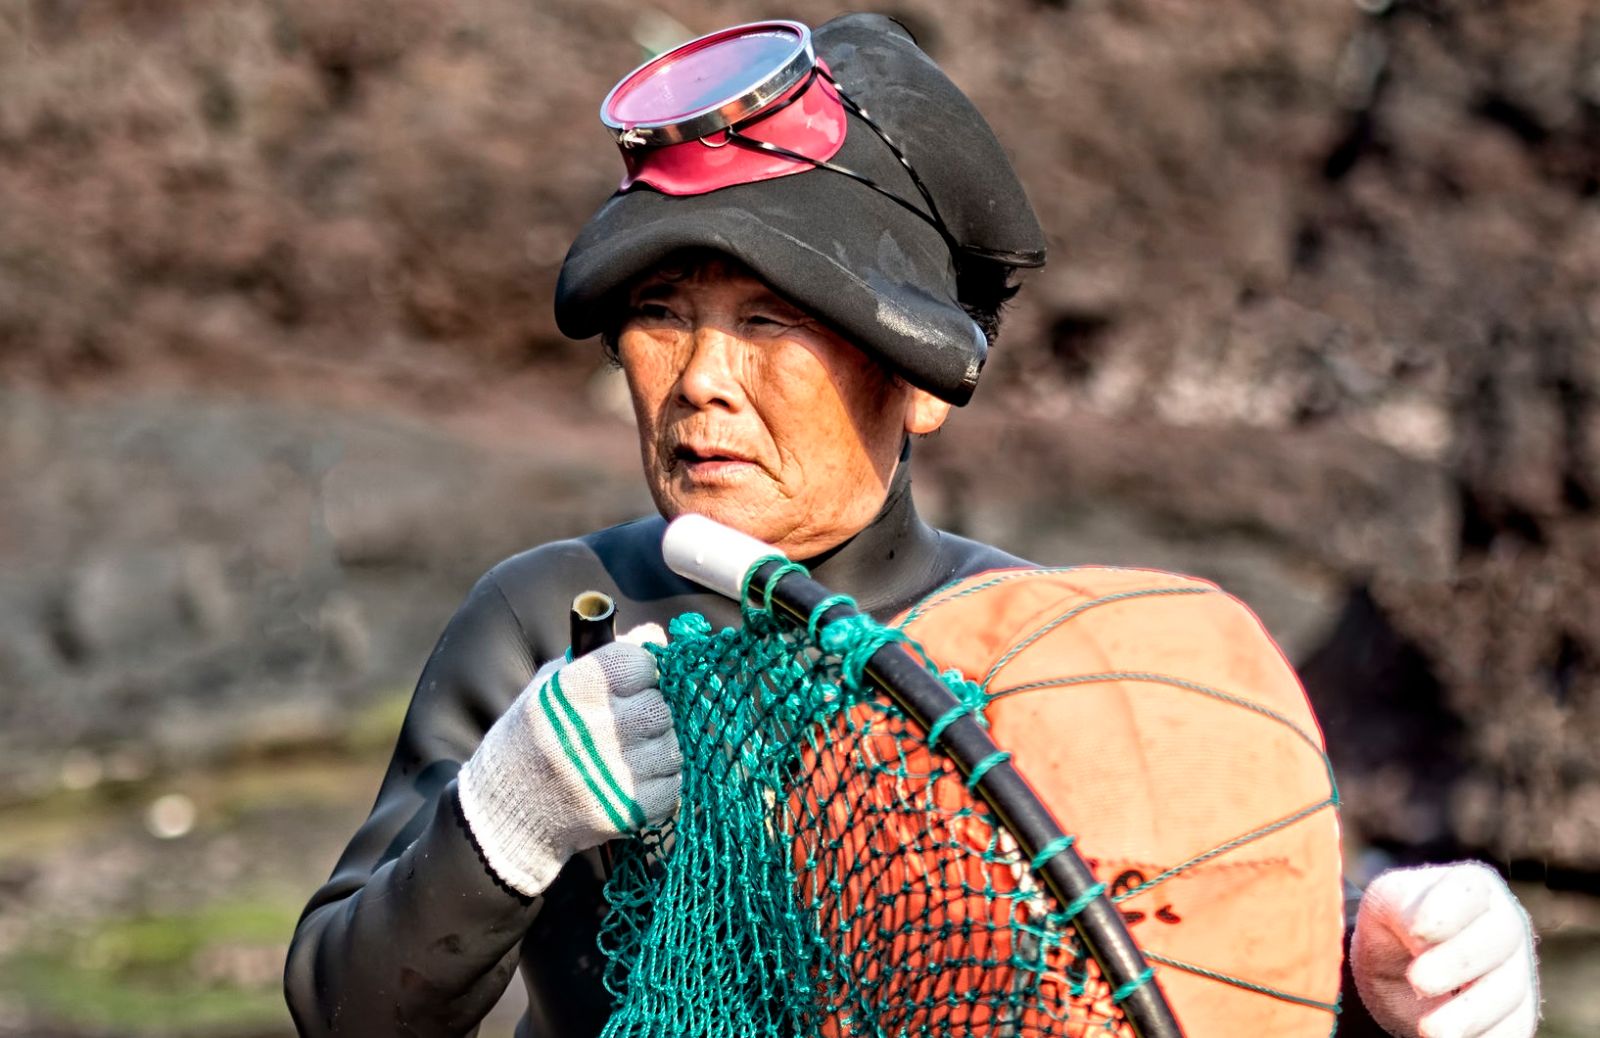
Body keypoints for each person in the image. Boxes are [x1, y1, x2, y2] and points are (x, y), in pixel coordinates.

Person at [284, 14, 1539, 1038]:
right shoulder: (545, 621)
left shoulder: (1040, 657)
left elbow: (1189, 946)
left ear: (922, 384)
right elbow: (342, 1006)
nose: (701, 380)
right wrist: (505, 815)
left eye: (772, 324)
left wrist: (1389, 980)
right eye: (662, 313)